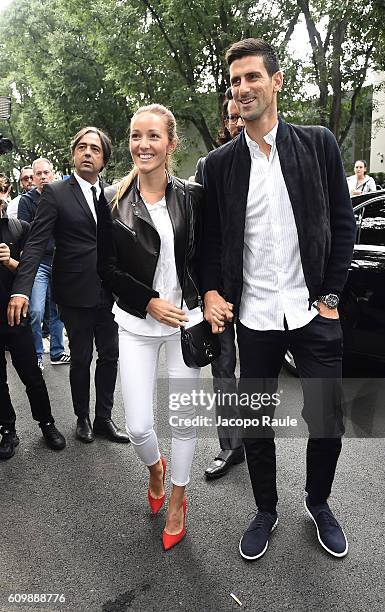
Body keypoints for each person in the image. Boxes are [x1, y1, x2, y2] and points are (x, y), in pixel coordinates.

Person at [200, 38, 356, 560]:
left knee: (326, 416)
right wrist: (213, 292)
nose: (242, 89)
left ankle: (319, 503)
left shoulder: (318, 144)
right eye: (235, 81)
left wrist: (330, 295)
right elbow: (211, 241)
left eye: (252, 78)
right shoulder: (219, 165)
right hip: (255, 315)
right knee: (255, 419)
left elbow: (342, 223)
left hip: (312, 311)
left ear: (276, 82)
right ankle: (266, 509)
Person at [97, 104, 203, 550]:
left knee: (183, 419)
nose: (144, 144)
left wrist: (208, 300)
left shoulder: (194, 196)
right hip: (137, 322)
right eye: (137, 136)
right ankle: (155, 469)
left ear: (170, 144)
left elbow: (206, 256)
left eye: (154, 136)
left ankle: (178, 497)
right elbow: (106, 267)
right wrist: (148, 301)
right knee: (139, 425)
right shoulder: (113, 201)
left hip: (187, 323)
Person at [7, 127, 128, 445]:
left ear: (103, 160)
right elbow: (35, 244)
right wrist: (22, 288)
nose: (88, 153)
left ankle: (104, 417)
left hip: (110, 292)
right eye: (82, 147)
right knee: (82, 356)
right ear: (74, 154)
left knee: (110, 355)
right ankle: (83, 418)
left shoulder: (113, 194)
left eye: (96, 149)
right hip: (75, 292)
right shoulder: (57, 193)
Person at [195, 88, 246, 480]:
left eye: (239, 116)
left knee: (261, 369)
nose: (236, 123)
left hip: (265, 288)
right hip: (224, 292)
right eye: (230, 117)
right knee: (224, 369)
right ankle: (231, 447)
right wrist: (207, 291)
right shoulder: (209, 166)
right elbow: (202, 236)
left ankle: (257, 439)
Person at [0, 192, 65, 459]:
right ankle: (7, 429)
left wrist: (10, 261)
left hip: (15, 317)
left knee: (32, 376)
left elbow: (32, 270)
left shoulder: (18, 228)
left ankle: (47, 424)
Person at [18, 158, 69, 370]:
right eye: (38, 174)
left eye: (46, 173)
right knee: (36, 311)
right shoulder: (26, 201)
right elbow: (24, 232)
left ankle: (57, 352)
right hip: (38, 262)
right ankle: (37, 354)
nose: (42, 177)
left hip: (59, 260)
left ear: (53, 173)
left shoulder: (63, 195)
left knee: (57, 310)